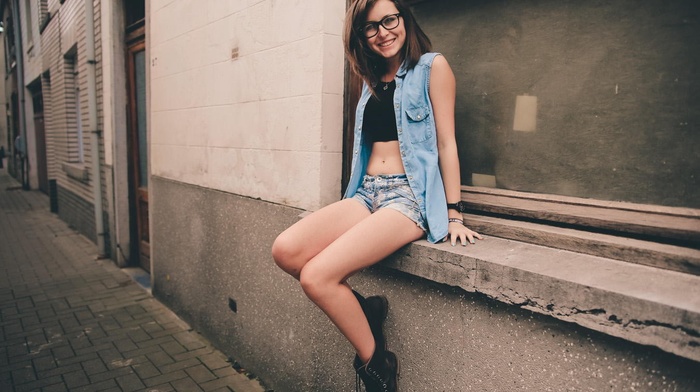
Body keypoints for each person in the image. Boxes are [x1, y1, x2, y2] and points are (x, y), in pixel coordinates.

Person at [271, 0, 482, 390]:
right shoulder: (369, 81)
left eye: (389, 20)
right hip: (367, 194)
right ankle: (365, 310)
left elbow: (447, 143)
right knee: (285, 250)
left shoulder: (432, 68)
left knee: (317, 277)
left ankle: (376, 365)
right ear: (361, 37)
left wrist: (454, 213)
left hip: (408, 198)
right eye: (370, 27)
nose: (383, 32)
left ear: (404, 19)